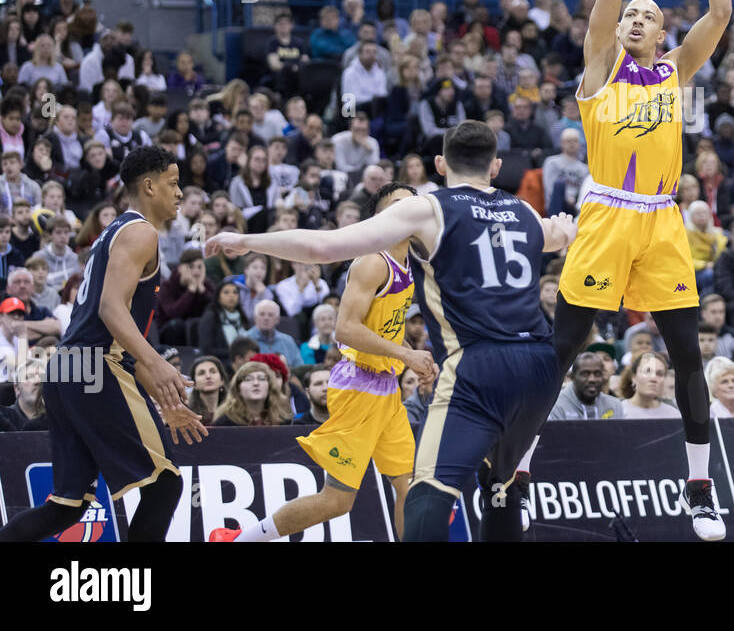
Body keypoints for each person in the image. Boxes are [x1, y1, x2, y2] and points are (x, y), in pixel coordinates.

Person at [206, 121, 576, 542]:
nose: (406, 206)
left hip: (453, 372)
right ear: (495, 166)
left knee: (422, 492)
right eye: (397, 204)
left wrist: (247, 239)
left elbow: (324, 249)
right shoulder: (519, 212)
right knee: (480, 489)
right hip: (526, 366)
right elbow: (555, 236)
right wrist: (565, 229)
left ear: (439, 164)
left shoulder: (428, 223)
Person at [548, 0, 733, 540]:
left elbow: (720, 15)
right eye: (630, 13)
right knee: (565, 347)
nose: (633, 17)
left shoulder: (676, 71)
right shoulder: (598, 65)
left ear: (662, 34)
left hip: (660, 220)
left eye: (646, 14)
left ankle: (701, 487)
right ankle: (514, 457)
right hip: (605, 215)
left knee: (687, 351)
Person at [0, 147, 206, 543]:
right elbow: (112, 313)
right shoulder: (141, 231)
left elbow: (118, 333)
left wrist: (167, 401)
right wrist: (159, 364)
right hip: (95, 368)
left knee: (67, 506)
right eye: (173, 183)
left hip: (67, 368)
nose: (180, 193)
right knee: (165, 486)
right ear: (149, 185)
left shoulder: (114, 232)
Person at [211, 183, 432, 542]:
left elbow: (386, 329)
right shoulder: (373, 262)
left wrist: (414, 358)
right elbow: (345, 330)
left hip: (387, 388)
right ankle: (242, 540)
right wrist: (406, 355)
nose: (408, 211)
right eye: (398, 205)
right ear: (381, 218)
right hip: (359, 387)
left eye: (413, 204)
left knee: (409, 486)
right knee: (337, 501)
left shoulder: (410, 261)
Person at [549, 352, 623, 419]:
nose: (592, 379)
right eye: (585, 374)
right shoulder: (556, 405)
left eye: (597, 374)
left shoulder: (614, 405)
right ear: (573, 377)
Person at [618, 351, 680, 418]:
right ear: (634, 377)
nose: (653, 378)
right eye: (647, 371)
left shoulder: (673, 415)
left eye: (659, 374)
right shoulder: (618, 411)